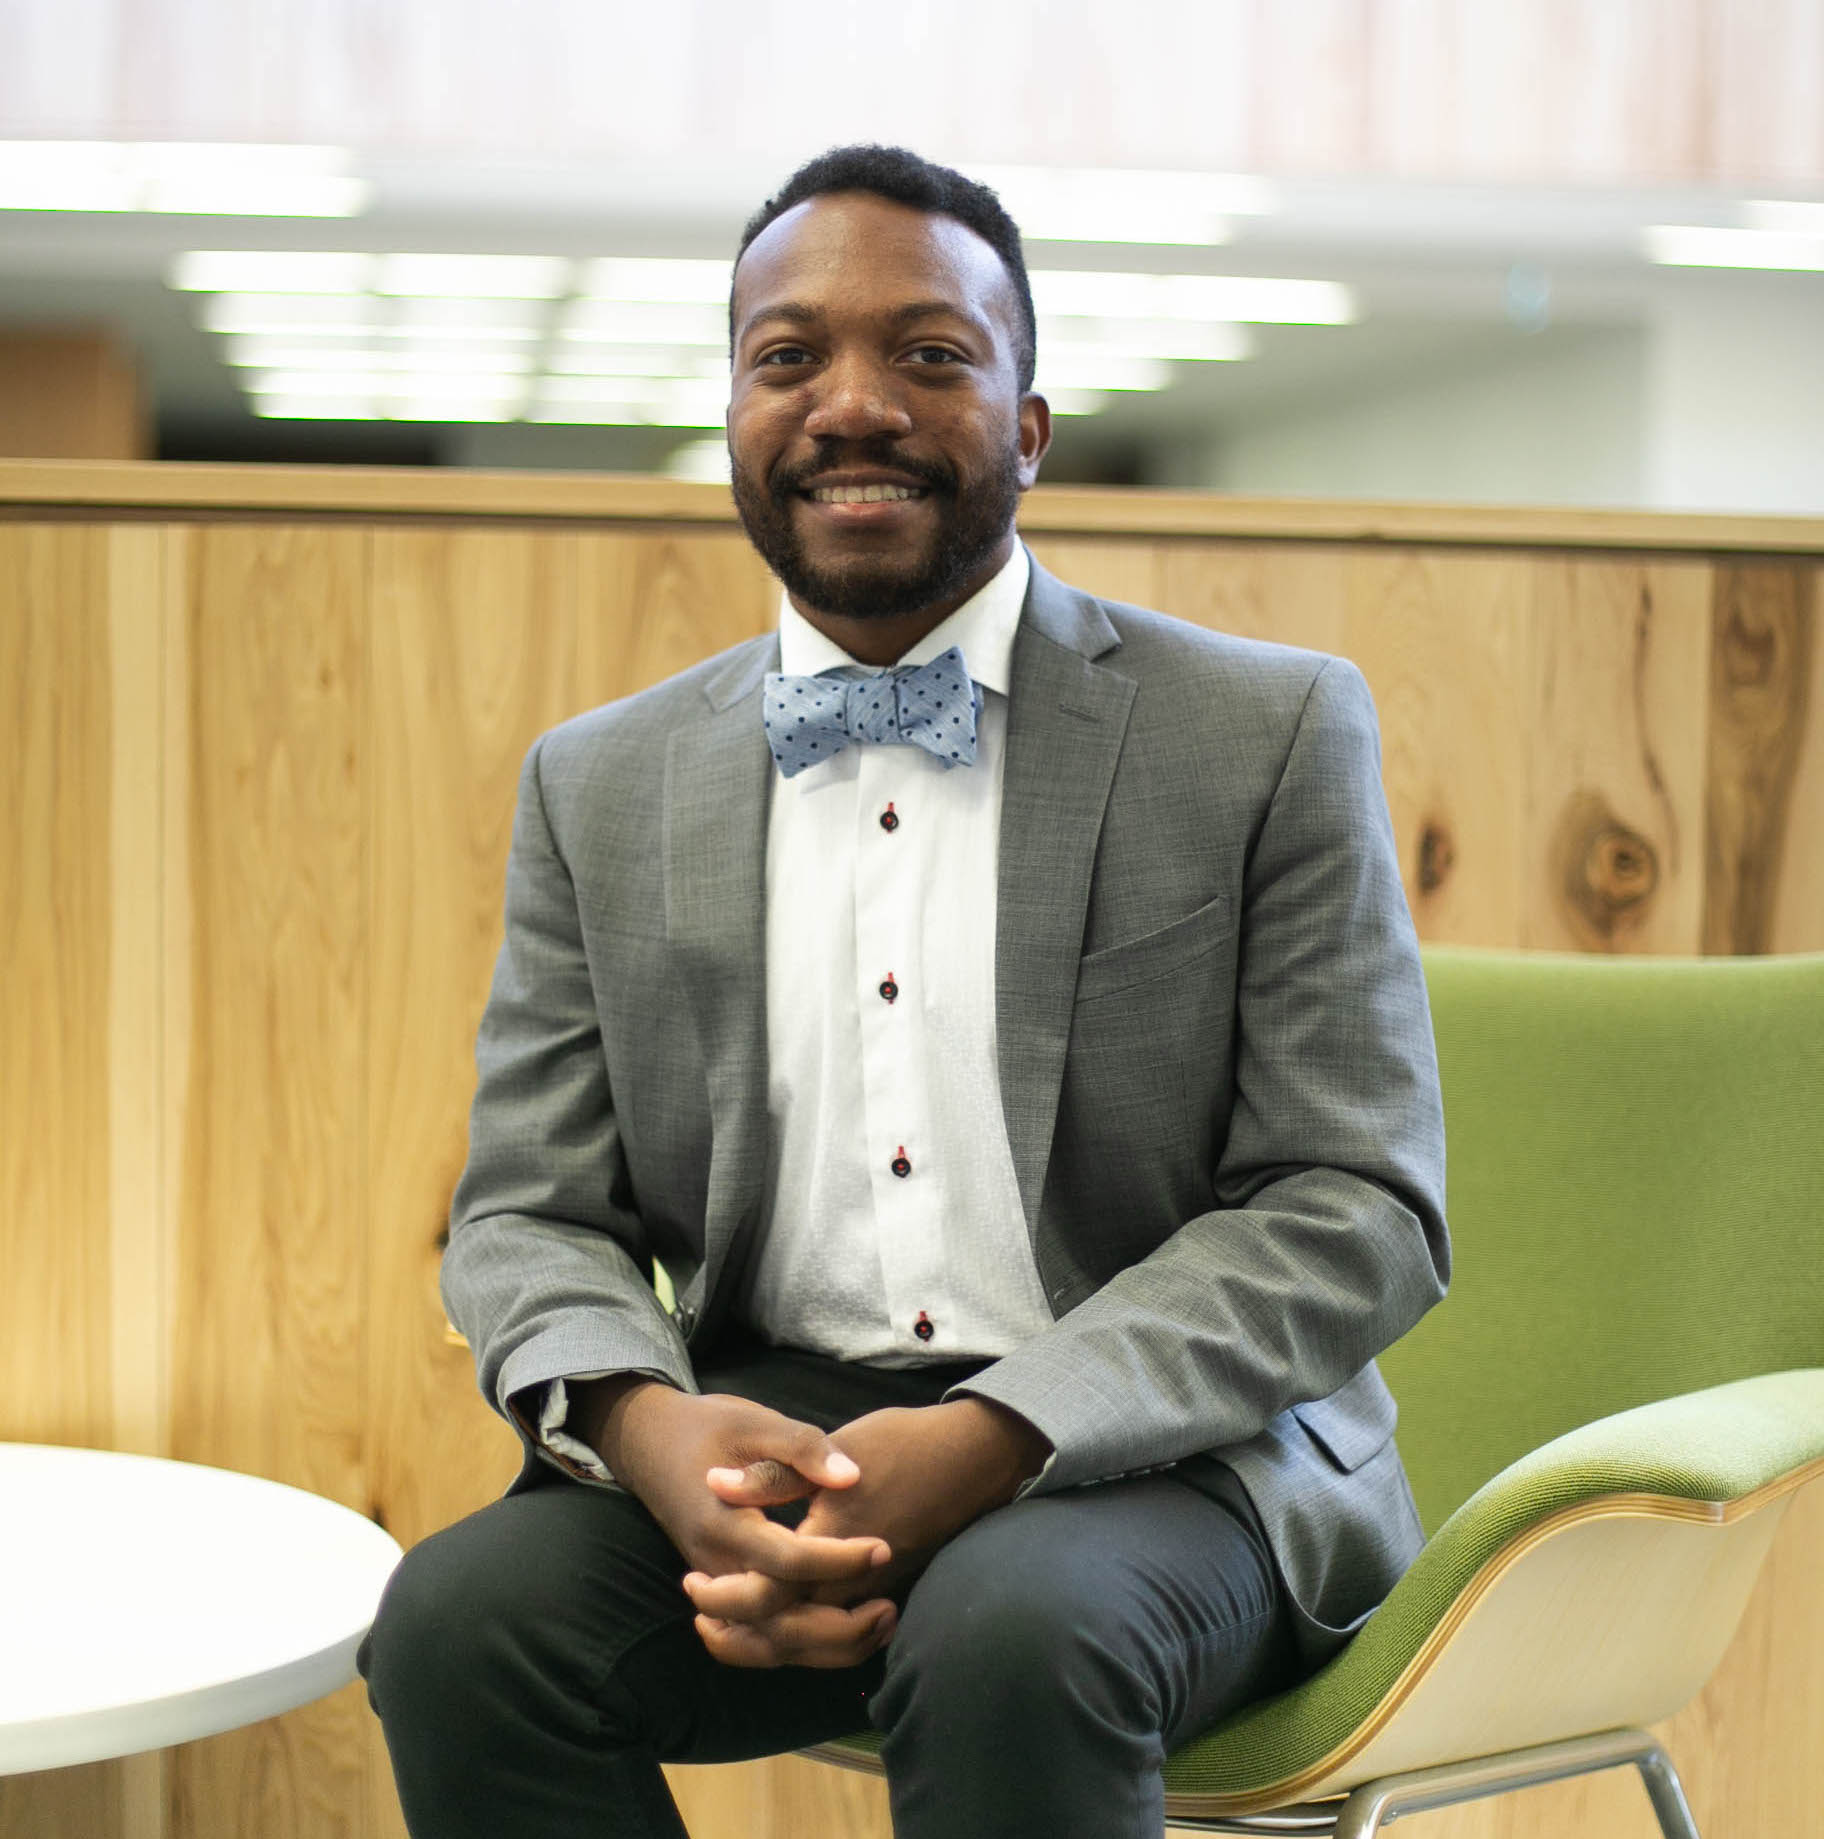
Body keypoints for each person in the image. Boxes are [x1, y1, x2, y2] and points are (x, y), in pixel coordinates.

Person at [359, 144, 1449, 1839]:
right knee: (456, 1629)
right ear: (732, 409)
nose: (850, 404)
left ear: (1026, 422)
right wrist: (660, 1444)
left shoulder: (1268, 732)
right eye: (788, 356)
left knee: (1010, 1632)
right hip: (769, 1440)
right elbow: (528, 1215)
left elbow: (1354, 1201)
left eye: (929, 354)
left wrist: (1005, 1436)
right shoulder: (602, 783)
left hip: (1174, 1455)